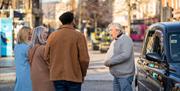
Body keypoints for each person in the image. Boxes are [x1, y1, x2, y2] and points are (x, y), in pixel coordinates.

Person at [44, 11, 89, 91]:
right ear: (72, 21)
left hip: (57, 76)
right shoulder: (79, 36)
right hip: (74, 76)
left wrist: (54, 67)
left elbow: (46, 56)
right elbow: (84, 59)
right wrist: (83, 74)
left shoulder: (52, 36)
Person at [104, 23, 135, 91]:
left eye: (111, 30)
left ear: (118, 30)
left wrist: (109, 62)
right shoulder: (115, 41)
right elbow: (110, 53)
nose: (109, 33)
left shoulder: (126, 39)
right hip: (117, 75)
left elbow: (125, 55)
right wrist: (106, 60)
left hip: (124, 76)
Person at [28, 26, 55, 91]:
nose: (47, 34)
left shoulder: (31, 48)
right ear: (39, 34)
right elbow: (52, 64)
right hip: (46, 80)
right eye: (45, 32)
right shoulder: (42, 48)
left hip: (36, 79)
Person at [14, 26, 32, 91]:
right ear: (25, 35)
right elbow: (32, 60)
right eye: (29, 33)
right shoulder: (27, 47)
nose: (31, 36)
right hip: (27, 74)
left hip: (19, 73)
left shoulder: (16, 46)